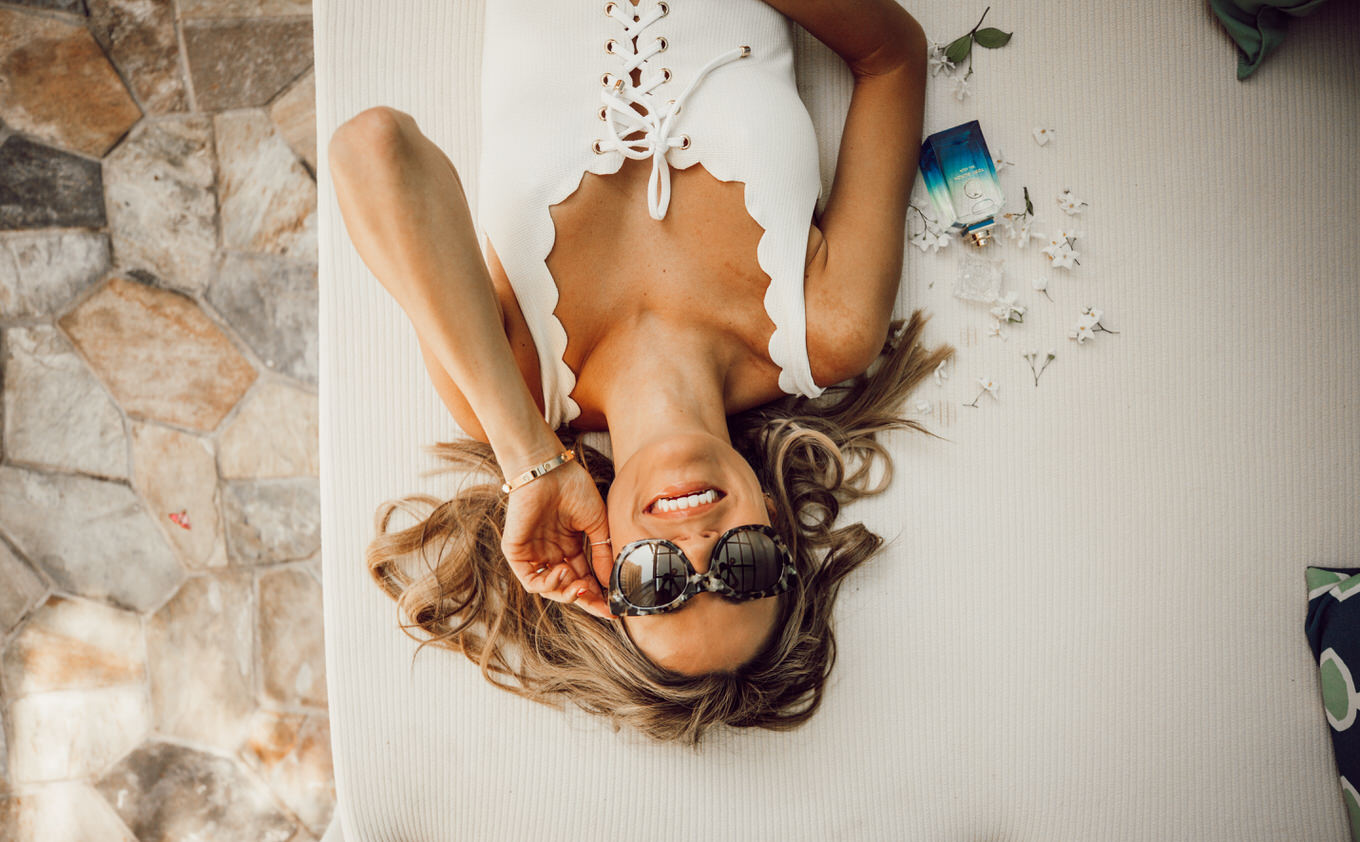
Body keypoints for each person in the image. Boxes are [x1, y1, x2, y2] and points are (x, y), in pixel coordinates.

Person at [330, 0, 952, 746]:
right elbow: (892, 57)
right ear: (779, 530)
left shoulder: (515, 392)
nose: (694, 546)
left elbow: (375, 147)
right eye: (744, 567)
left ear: (605, 566)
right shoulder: (828, 328)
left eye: (657, 585)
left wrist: (530, 460)